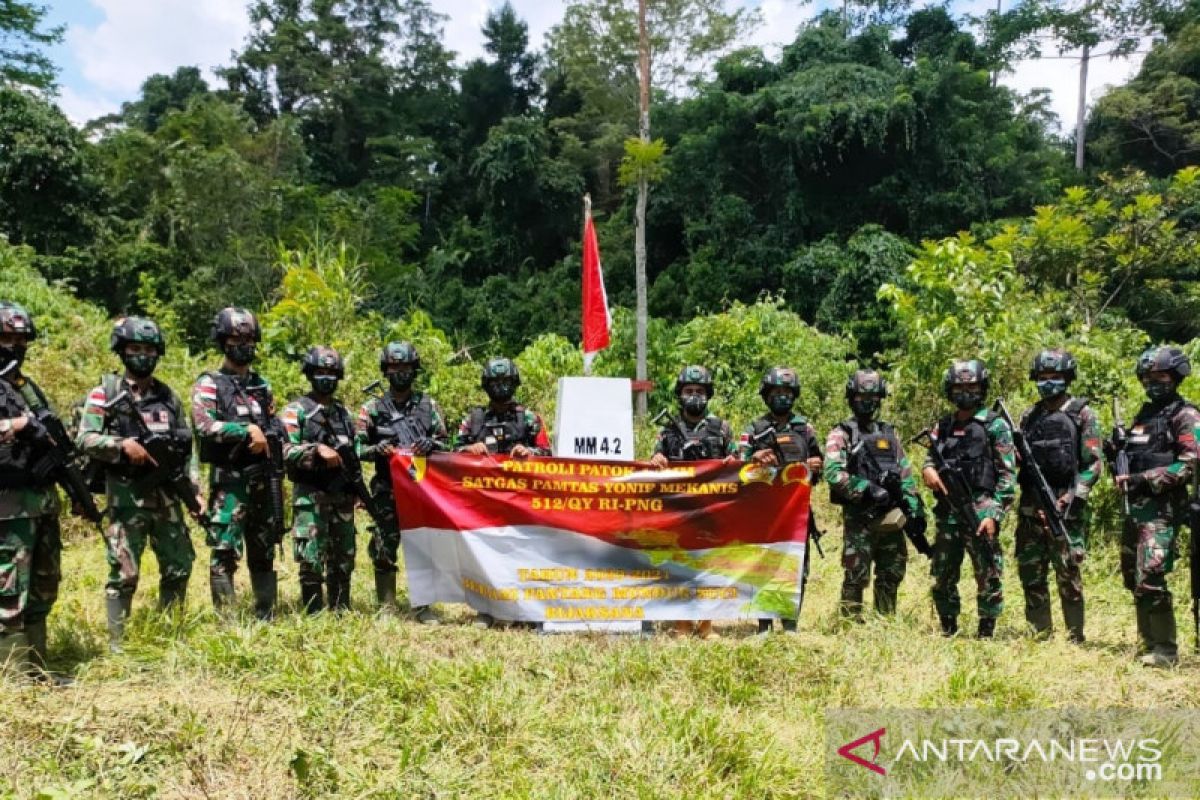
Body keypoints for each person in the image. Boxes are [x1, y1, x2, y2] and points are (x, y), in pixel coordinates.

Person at [76, 317, 195, 651]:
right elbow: (85, 438)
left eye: (148, 350)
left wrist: (194, 487)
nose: (143, 355)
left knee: (179, 565)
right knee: (124, 572)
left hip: (167, 497)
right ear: (122, 351)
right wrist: (120, 446)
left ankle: (172, 633)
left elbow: (187, 447)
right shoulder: (106, 393)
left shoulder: (168, 396)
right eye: (135, 349)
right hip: (127, 498)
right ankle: (117, 643)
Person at [191, 307, 282, 619]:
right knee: (225, 551)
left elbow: (272, 425)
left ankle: (265, 615)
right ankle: (227, 622)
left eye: (248, 339)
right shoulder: (210, 383)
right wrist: (244, 431)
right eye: (235, 338)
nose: (243, 345)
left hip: (263, 480)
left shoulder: (262, 385)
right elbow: (204, 425)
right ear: (223, 341)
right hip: (231, 482)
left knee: (264, 549)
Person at [1113, 346, 1200, 667]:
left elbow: (1189, 464)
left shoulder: (1186, 415)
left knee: (1151, 575)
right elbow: (1131, 455)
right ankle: (1146, 642)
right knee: (1133, 577)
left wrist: (1144, 479)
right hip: (1134, 510)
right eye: (1148, 378)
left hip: (1162, 512)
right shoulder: (1144, 416)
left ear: (1175, 377)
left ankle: (1165, 650)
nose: (1153, 383)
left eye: (1160, 377)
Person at [922, 359, 1016, 638]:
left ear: (982, 387)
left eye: (972, 386)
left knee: (988, 572)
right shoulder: (944, 425)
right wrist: (928, 470)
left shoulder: (995, 425)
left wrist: (994, 514)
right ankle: (948, 627)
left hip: (981, 508)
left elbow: (1007, 475)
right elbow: (930, 457)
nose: (966, 392)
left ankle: (986, 630)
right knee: (942, 573)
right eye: (960, 387)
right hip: (948, 510)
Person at [455, 357, 550, 628]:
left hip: (521, 503)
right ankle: (485, 610)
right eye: (495, 382)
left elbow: (549, 455)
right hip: (483, 503)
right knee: (484, 556)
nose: (500, 387)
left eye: (506, 382)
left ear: (515, 383)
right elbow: (450, 452)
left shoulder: (530, 419)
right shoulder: (473, 420)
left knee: (524, 554)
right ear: (486, 385)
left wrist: (529, 452)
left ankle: (525, 612)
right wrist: (468, 450)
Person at [355, 342, 448, 619]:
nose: (400, 372)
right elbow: (356, 449)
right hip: (387, 487)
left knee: (423, 548)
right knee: (384, 545)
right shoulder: (371, 408)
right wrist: (377, 450)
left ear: (414, 370)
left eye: (405, 367)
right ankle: (387, 606)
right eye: (395, 367)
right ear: (386, 370)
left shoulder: (428, 405)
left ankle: (423, 606)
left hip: (423, 488)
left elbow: (448, 444)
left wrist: (430, 444)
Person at [1014, 349, 1100, 642]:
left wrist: (1073, 497)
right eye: (1042, 378)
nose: (1048, 383)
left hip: (1066, 508)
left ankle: (1075, 635)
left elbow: (1093, 464)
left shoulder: (1082, 414)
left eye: (1055, 377)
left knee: (1068, 572)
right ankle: (1040, 634)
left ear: (1067, 378)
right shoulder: (1030, 415)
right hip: (1030, 507)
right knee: (1031, 573)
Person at [824, 369, 925, 620]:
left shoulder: (889, 433)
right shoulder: (842, 433)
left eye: (872, 397)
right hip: (861, 517)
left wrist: (914, 506)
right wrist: (867, 489)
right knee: (856, 572)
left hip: (892, 514)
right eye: (860, 397)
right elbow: (834, 473)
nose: (866, 402)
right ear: (851, 398)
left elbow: (904, 473)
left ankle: (885, 620)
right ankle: (850, 621)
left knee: (891, 571)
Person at [0, 302, 66, 678]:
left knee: (44, 584)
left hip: (40, 501)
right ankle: (12, 676)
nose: (14, 346)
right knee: (9, 590)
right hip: (7, 506)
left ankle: (36, 669)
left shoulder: (25, 387)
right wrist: (21, 424)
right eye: (6, 338)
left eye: (21, 339)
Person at [651, 365, 737, 640]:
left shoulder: (721, 428)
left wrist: (731, 464)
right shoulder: (668, 431)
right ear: (680, 395)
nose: (694, 396)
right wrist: (657, 461)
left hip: (712, 508)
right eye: (688, 391)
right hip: (679, 509)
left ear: (708, 394)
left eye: (699, 391)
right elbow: (654, 461)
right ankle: (682, 624)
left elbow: (737, 462)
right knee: (678, 566)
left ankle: (706, 625)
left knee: (710, 566)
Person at [739, 367, 823, 633]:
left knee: (796, 568)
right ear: (766, 395)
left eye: (787, 392)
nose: (782, 397)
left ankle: (790, 624)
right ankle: (764, 625)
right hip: (763, 512)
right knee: (764, 567)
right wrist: (755, 458)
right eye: (776, 392)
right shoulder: (754, 428)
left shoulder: (805, 428)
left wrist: (814, 466)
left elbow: (819, 469)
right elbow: (735, 468)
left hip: (796, 514)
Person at [283, 347, 359, 614]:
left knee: (344, 555)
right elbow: (285, 449)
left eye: (330, 373)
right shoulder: (296, 411)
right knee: (311, 556)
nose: (325, 378)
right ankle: (313, 613)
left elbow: (354, 453)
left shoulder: (343, 414)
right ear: (310, 374)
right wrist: (315, 450)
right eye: (320, 372)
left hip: (342, 497)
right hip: (311, 495)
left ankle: (341, 609)